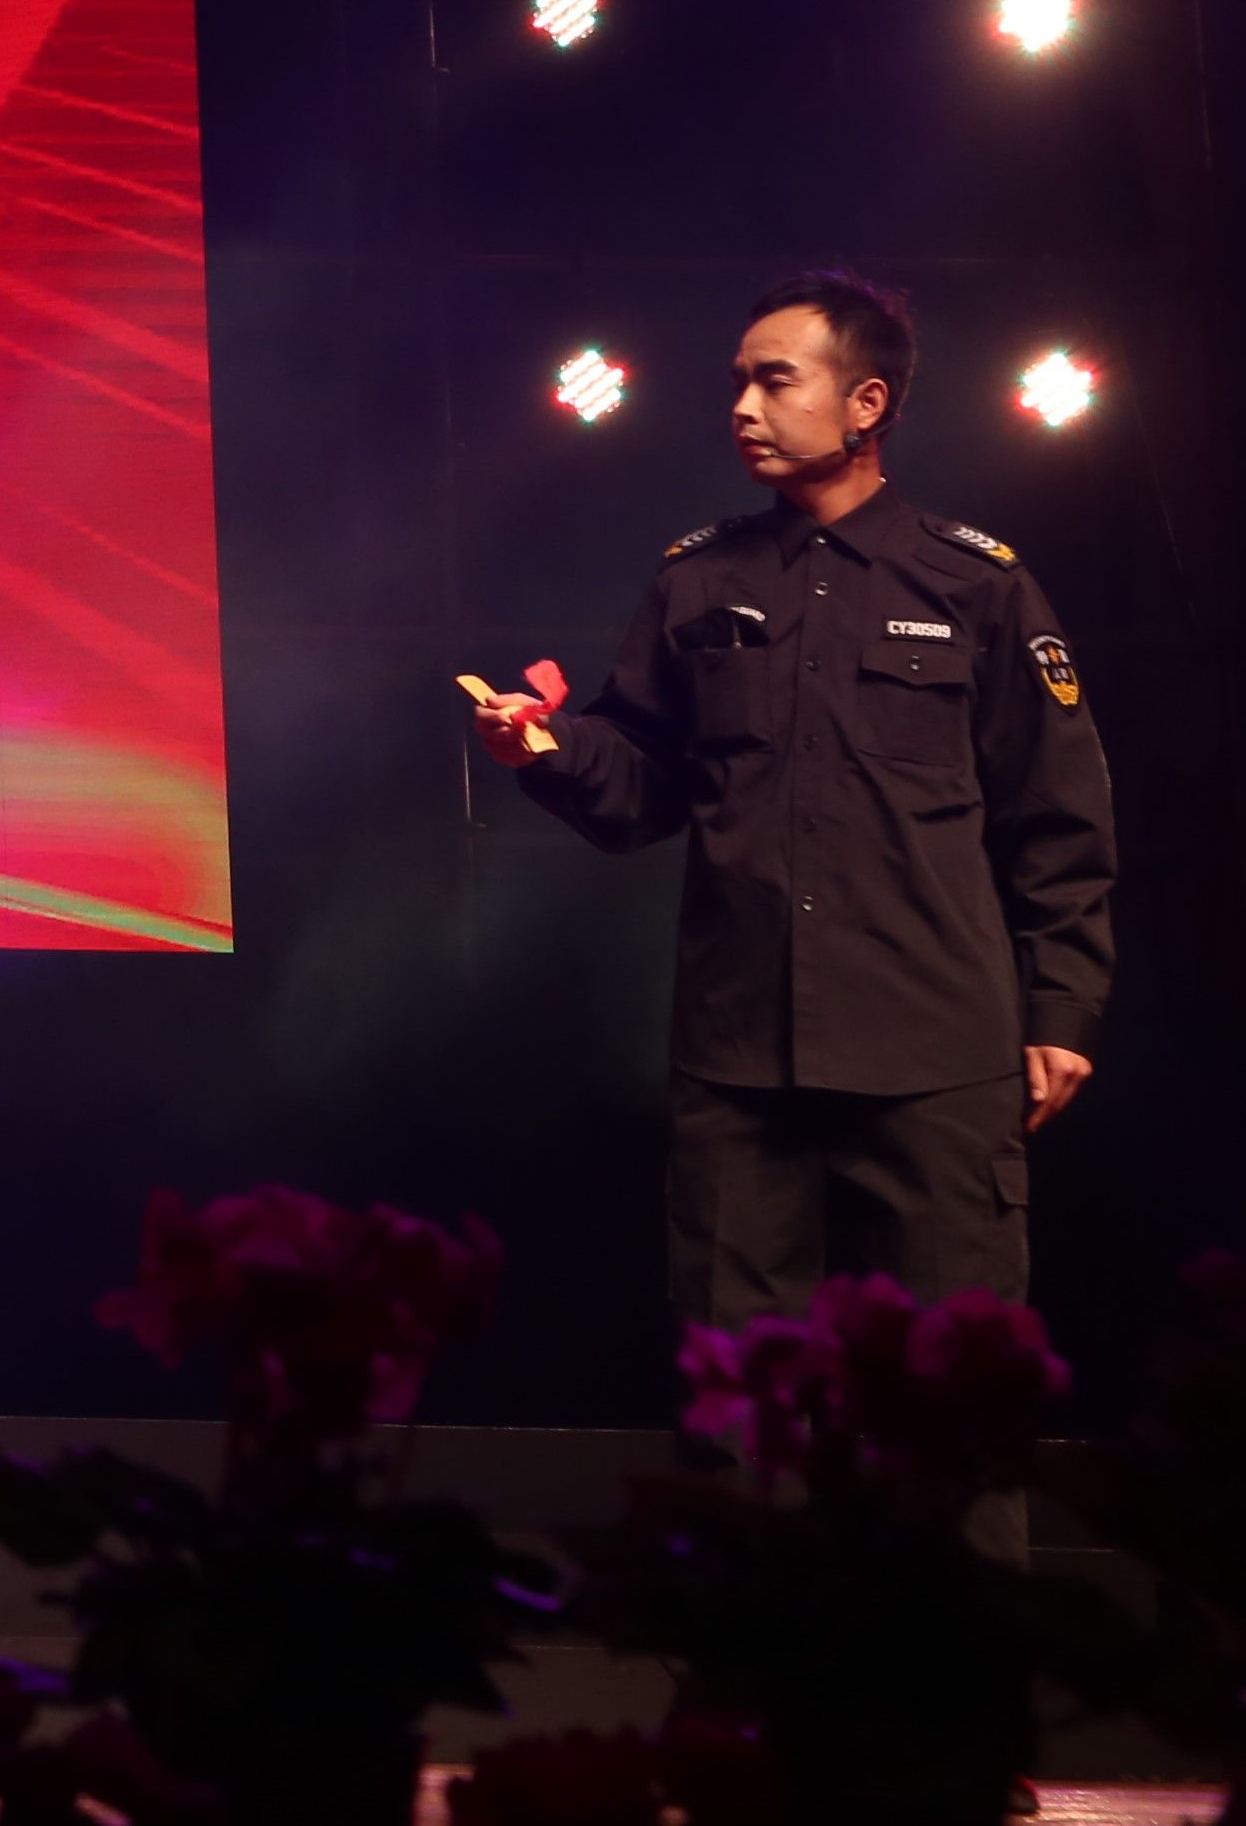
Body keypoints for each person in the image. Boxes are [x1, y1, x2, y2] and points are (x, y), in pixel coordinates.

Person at [472, 273, 1114, 1398]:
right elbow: (645, 785)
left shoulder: (977, 585)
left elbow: (1057, 811)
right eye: (737, 383)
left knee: (950, 1404)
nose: (742, 408)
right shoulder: (696, 579)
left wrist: (1061, 1009)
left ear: (867, 403)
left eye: (775, 381)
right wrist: (548, 749)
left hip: (935, 1060)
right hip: (739, 1064)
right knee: (736, 1406)